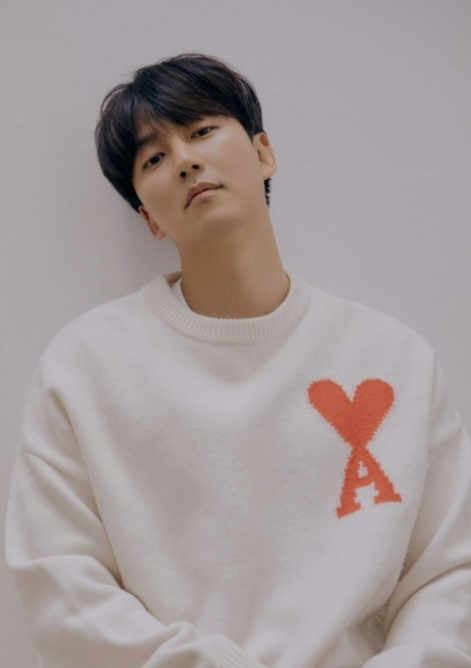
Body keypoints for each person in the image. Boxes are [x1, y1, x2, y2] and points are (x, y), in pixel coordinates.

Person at [4, 52, 471, 668]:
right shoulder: (86, 367)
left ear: (263, 153)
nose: (184, 160)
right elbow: (59, 586)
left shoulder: (393, 358)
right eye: (153, 159)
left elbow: (450, 571)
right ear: (147, 217)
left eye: (201, 130)